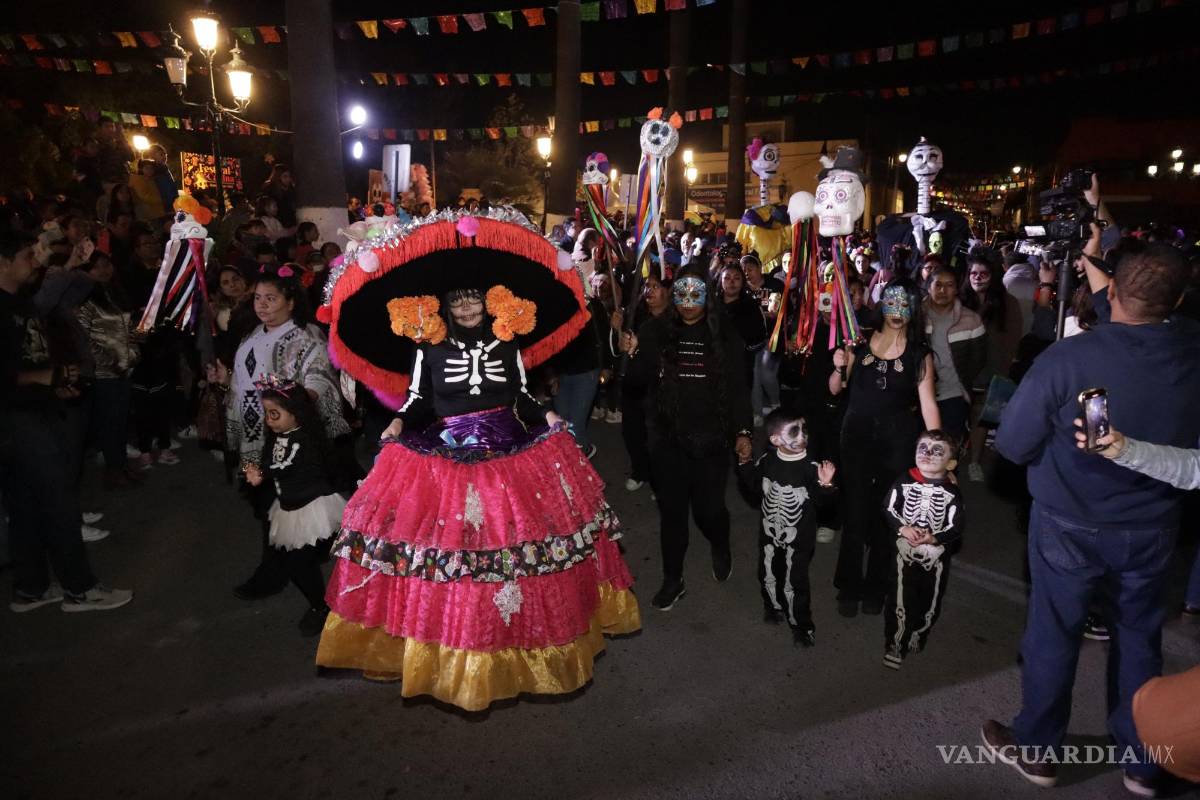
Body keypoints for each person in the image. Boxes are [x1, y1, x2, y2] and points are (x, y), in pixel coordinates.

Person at [314, 213, 640, 711]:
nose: (466, 307)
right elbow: (418, 400)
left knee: (520, 548)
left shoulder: (507, 344)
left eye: (472, 299)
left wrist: (549, 414)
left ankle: (518, 641)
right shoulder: (429, 349)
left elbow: (524, 398)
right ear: (445, 308)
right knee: (453, 552)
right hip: (450, 453)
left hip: (509, 452)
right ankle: (458, 645)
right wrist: (399, 422)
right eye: (457, 301)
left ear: (486, 304)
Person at [981, 243, 1200, 797]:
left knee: (1053, 633)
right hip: (1153, 525)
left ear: (1115, 294)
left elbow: (1012, 441)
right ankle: (1145, 760)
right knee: (1137, 638)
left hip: (1067, 520)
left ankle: (1038, 751)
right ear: (1178, 298)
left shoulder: (1067, 358)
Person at [1, 232, 133, 612]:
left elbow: (29, 360)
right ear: (3, 262)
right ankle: (80, 588)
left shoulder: (20, 303)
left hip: (35, 410)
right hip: (17, 420)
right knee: (58, 499)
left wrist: (53, 385)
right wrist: (45, 379)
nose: (35, 262)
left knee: (25, 506)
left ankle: (31, 588)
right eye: (27, 255)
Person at [214, 265, 349, 601]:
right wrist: (224, 379)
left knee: (287, 510)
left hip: (286, 442)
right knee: (265, 505)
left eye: (271, 298)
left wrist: (304, 398)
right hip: (253, 436)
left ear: (290, 301)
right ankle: (287, 567)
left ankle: (294, 578)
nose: (262, 305)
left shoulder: (306, 336)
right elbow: (245, 378)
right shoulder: (252, 333)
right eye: (258, 298)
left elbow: (320, 376)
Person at [622, 265, 753, 611]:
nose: (688, 302)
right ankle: (672, 579)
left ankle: (720, 541)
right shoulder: (654, 331)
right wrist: (633, 353)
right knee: (673, 513)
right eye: (682, 293)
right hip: (668, 440)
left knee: (709, 511)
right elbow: (635, 384)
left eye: (696, 293)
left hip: (712, 440)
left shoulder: (725, 335)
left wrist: (742, 432)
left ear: (707, 296)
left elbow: (739, 390)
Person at [829, 278, 940, 617]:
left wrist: (939, 454)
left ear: (912, 310)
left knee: (886, 517)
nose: (896, 311)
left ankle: (876, 586)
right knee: (855, 514)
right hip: (857, 438)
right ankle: (849, 586)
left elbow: (928, 406)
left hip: (897, 441)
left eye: (904, 304)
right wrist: (837, 364)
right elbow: (835, 389)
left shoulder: (920, 355)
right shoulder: (859, 341)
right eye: (891, 303)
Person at [242, 377, 346, 636]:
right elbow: (273, 461)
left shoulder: (304, 440)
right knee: (300, 561)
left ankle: (322, 608)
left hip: (311, 509)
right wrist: (255, 469)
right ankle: (323, 603)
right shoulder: (278, 436)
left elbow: (288, 465)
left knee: (299, 563)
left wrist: (263, 473)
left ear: (295, 414)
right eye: (267, 413)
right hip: (289, 508)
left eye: (274, 414)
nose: (269, 420)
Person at [736, 410, 836, 647]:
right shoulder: (768, 461)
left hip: (798, 540)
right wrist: (744, 462)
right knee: (767, 573)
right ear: (775, 440)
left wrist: (826, 484)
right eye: (794, 431)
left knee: (795, 582)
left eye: (804, 430)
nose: (803, 436)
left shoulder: (811, 467)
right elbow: (753, 484)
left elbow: (826, 504)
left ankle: (802, 626)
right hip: (769, 533)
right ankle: (772, 606)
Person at [882, 429, 963, 669]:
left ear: (951, 463)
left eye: (937, 451)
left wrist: (936, 537)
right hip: (903, 551)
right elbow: (888, 507)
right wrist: (901, 528)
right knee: (899, 599)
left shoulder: (951, 491)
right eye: (922, 449)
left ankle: (920, 631)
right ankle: (895, 642)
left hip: (935, 558)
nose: (927, 454)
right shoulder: (904, 480)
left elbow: (956, 524)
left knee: (930, 599)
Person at [76, 251, 140, 490]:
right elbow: (82, 337)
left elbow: (126, 328)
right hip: (104, 373)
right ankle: (113, 471)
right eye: (97, 267)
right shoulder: (85, 300)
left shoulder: (113, 294)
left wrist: (133, 350)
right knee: (110, 422)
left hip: (124, 368)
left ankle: (120, 465)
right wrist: (109, 360)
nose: (104, 270)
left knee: (120, 420)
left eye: (107, 264)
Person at [960, 247, 1023, 481]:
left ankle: (975, 461)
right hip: (959, 373)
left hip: (991, 373)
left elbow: (1012, 340)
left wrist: (1002, 373)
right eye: (973, 273)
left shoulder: (1008, 304)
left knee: (981, 419)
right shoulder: (959, 300)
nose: (977, 277)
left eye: (983, 273)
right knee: (956, 419)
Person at [614, 271, 670, 492]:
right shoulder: (635, 316)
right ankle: (640, 471)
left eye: (655, 286)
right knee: (632, 432)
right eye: (647, 286)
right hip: (634, 387)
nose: (649, 290)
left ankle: (661, 481)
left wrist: (639, 350)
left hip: (659, 390)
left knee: (657, 438)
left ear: (668, 292)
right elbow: (620, 354)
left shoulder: (674, 321)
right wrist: (617, 331)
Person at [923, 264, 986, 444]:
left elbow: (978, 359)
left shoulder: (971, 320)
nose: (943, 290)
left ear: (957, 289)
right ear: (929, 287)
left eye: (949, 285)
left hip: (953, 395)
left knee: (949, 447)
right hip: (919, 396)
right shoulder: (916, 316)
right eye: (938, 285)